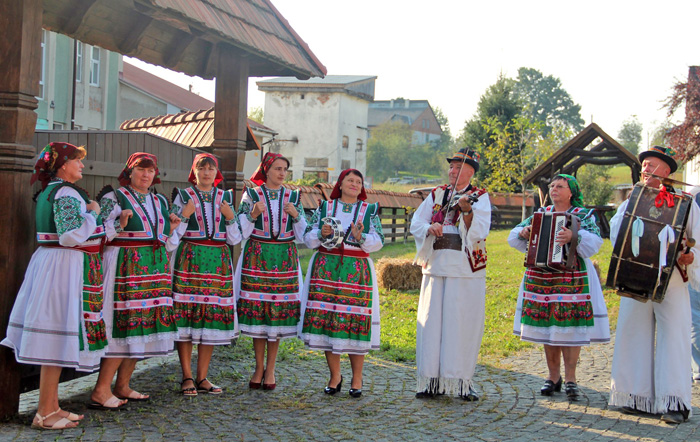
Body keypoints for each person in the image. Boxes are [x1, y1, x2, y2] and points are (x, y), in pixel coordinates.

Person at [2, 142, 110, 429]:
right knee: (56, 335)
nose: (82, 166)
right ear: (63, 165)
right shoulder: (65, 192)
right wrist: (95, 212)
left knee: (59, 337)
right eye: (77, 161)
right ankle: (44, 413)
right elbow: (70, 235)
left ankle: (51, 406)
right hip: (63, 265)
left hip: (54, 263)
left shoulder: (52, 191)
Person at [609, 146, 700, 424]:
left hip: (671, 279)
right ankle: (636, 397)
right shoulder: (631, 200)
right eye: (643, 165)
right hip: (635, 276)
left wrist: (690, 256)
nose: (645, 169)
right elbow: (616, 233)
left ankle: (674, 402)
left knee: (674, 336)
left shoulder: (684, 201)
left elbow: (698, 239)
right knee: (632, 331)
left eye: (651, 165)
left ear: (667, 171)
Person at [508, 174, 610, 399]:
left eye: (560, 186)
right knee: (548, 327)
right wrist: (524, 233)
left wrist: (574, 236)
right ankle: (553, 377)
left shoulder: (582, 215)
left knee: (571, 327)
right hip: (542, 278)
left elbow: (595, 241)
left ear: (571, 191)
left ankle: (571, 379)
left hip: (573, 278)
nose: (554, 189)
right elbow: (513, 237)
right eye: (552, 186)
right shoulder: (540, 214)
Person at [94, 152, 183, 405]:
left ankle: (122, 385)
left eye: (150, 170)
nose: (146, 175)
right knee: (122, 326)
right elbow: (98, 230)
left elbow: (166, 242)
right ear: (129, 172)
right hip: (125, 265)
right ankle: (101, 389)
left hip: (153, 267)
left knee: (139, 329)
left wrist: (172, 228)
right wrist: (120, 223)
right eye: (141, 170)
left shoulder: (159, 201)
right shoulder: (115, 197)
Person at [410, 147, 491, 400]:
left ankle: (460, 382)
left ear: (470, 171)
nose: (453, 171)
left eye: (458, 167)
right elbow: (416, 222)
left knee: (460, 324)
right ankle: (430, 382)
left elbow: (480, 231)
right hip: (436, 266)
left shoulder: (480, 196)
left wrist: (467, 211)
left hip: (464, 269)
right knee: (431, 324)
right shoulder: (436, 193)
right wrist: (430, 226)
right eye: (451, 167)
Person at [300, 169, 384, 397]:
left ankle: (357, 378)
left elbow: (379, 241)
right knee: (330, 322)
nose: (354, 184)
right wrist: (321, 232)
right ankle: (335, 376)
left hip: (356, 272)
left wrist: (361, 237)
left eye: (358, 181)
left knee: (354, 322)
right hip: (326, 269)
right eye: (350, 180)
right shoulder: (325, 208)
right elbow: (308, 237)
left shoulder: (368, 210)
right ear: (341, 183)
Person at [171, 153, 242, 396]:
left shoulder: (225, 198)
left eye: (211, 168)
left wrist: (231, 218)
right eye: (202, 168)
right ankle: (187, 376)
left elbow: (235, 238)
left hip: (217, 262)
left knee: (209, 319)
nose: (207, 172)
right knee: (188, 316)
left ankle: (202, 376)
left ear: (216, 172)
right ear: (195, 171)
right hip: (191, 259)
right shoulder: (183, 197)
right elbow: (173, 236)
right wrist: (185, 215)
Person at [235, 152, 307, 391]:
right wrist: (254, 213)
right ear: (266, 170)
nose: (281, 173)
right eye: (277, 168)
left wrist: (296, 216)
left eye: (285, 169)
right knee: (260, 314)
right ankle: (258, 366)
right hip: (257, 255)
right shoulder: (252, 194)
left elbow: (305, 234)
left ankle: (271, 368)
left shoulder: (294, 196)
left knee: (276, 315)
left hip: (284, 257)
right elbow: (239, 229)